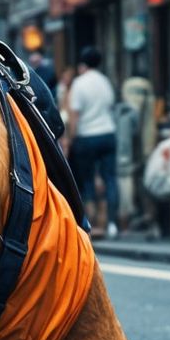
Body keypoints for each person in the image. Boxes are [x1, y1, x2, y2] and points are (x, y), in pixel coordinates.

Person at [65, 45, 120, 238]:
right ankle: (112, 223)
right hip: (108, 133)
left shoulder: (79, 84)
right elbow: (111, 106)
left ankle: (92, 223)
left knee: (87, 181)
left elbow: (74, 115)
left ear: (82, 64)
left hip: (87, 136)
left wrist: (71, 139)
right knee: (110, 179)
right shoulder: (106, 81)